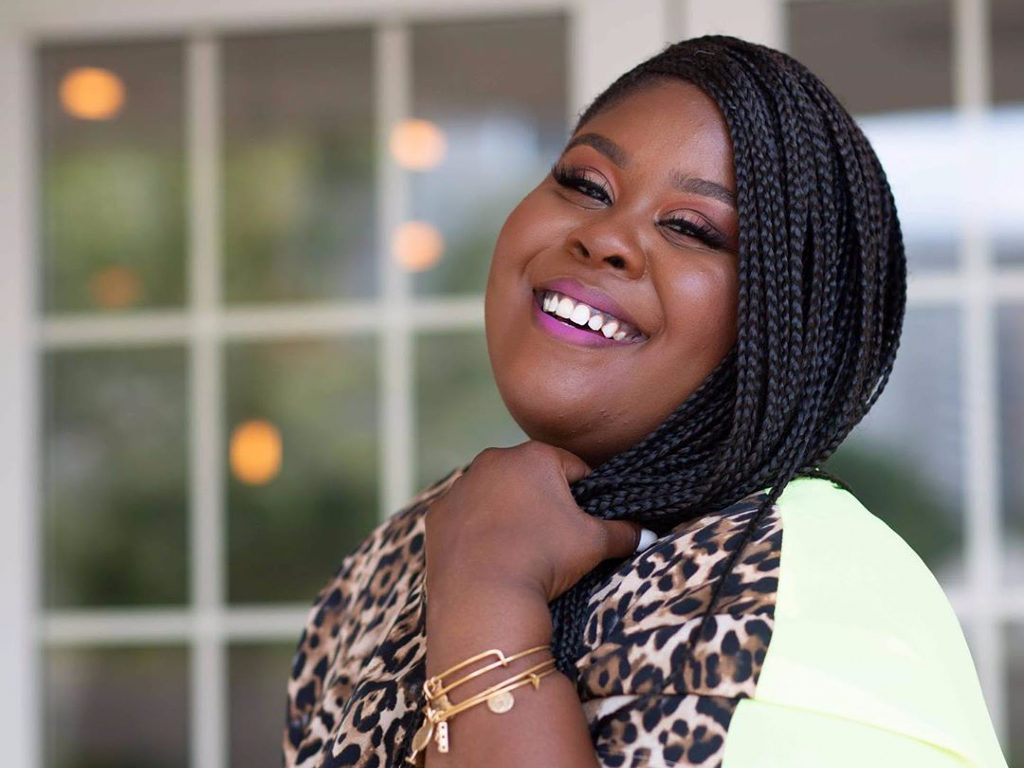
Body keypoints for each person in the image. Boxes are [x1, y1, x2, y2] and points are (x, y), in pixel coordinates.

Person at [282, 35, 1008, 767]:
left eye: (691, 228)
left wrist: (487, 595)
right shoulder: (402, 557)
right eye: (585, 184)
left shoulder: (821, 593)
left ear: (792, 323)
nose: (605, 238)